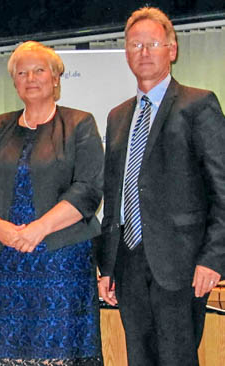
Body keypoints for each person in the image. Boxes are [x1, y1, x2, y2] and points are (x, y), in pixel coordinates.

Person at [98, 7, 225, 366]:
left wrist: (213, 258)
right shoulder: (118, 116)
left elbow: (223, 189)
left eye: (153, 43)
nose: (143, 52)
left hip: (182, 266)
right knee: (139, 359)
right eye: (135, 44)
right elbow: (114, 196)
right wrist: (108, 266)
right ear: (126, 53)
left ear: (172, 49)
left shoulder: (198, 105)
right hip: (129, 264)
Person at [0, 41, 104, 365]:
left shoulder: (80, 124)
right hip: (1, 262)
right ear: (14, 81)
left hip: (61, 264)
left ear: (56, 78)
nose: (30, 78)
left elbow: (87, 190)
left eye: (39, 70)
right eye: (21, 72)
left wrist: (39, 229)